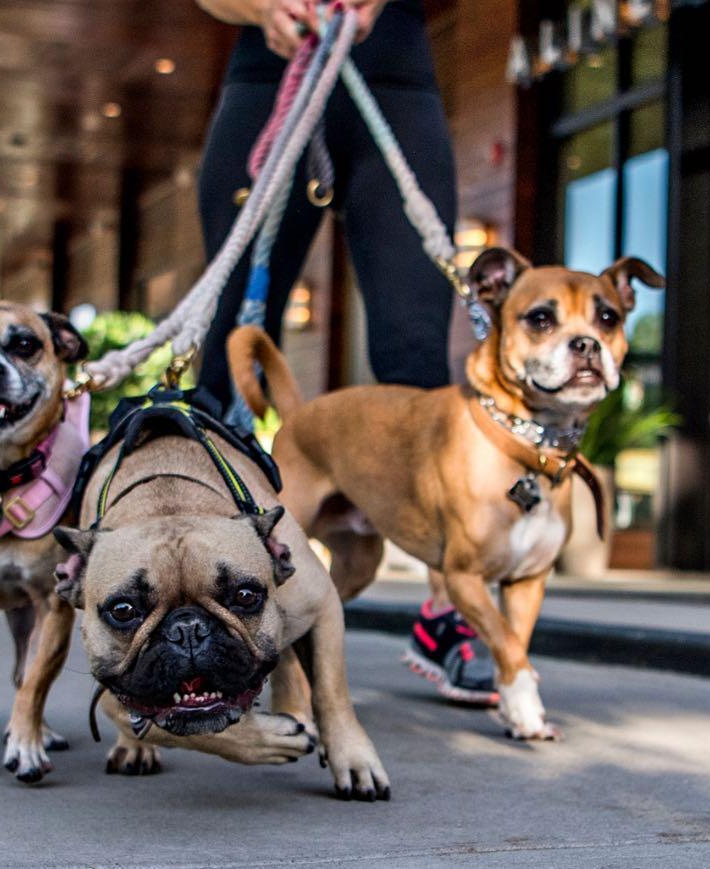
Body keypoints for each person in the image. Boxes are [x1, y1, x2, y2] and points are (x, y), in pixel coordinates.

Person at [194, 0, 496, 705]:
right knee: (223, 363)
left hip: (392, 83)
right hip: (268, 80)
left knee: (417, 366)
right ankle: (202, 605)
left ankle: (446, 613)